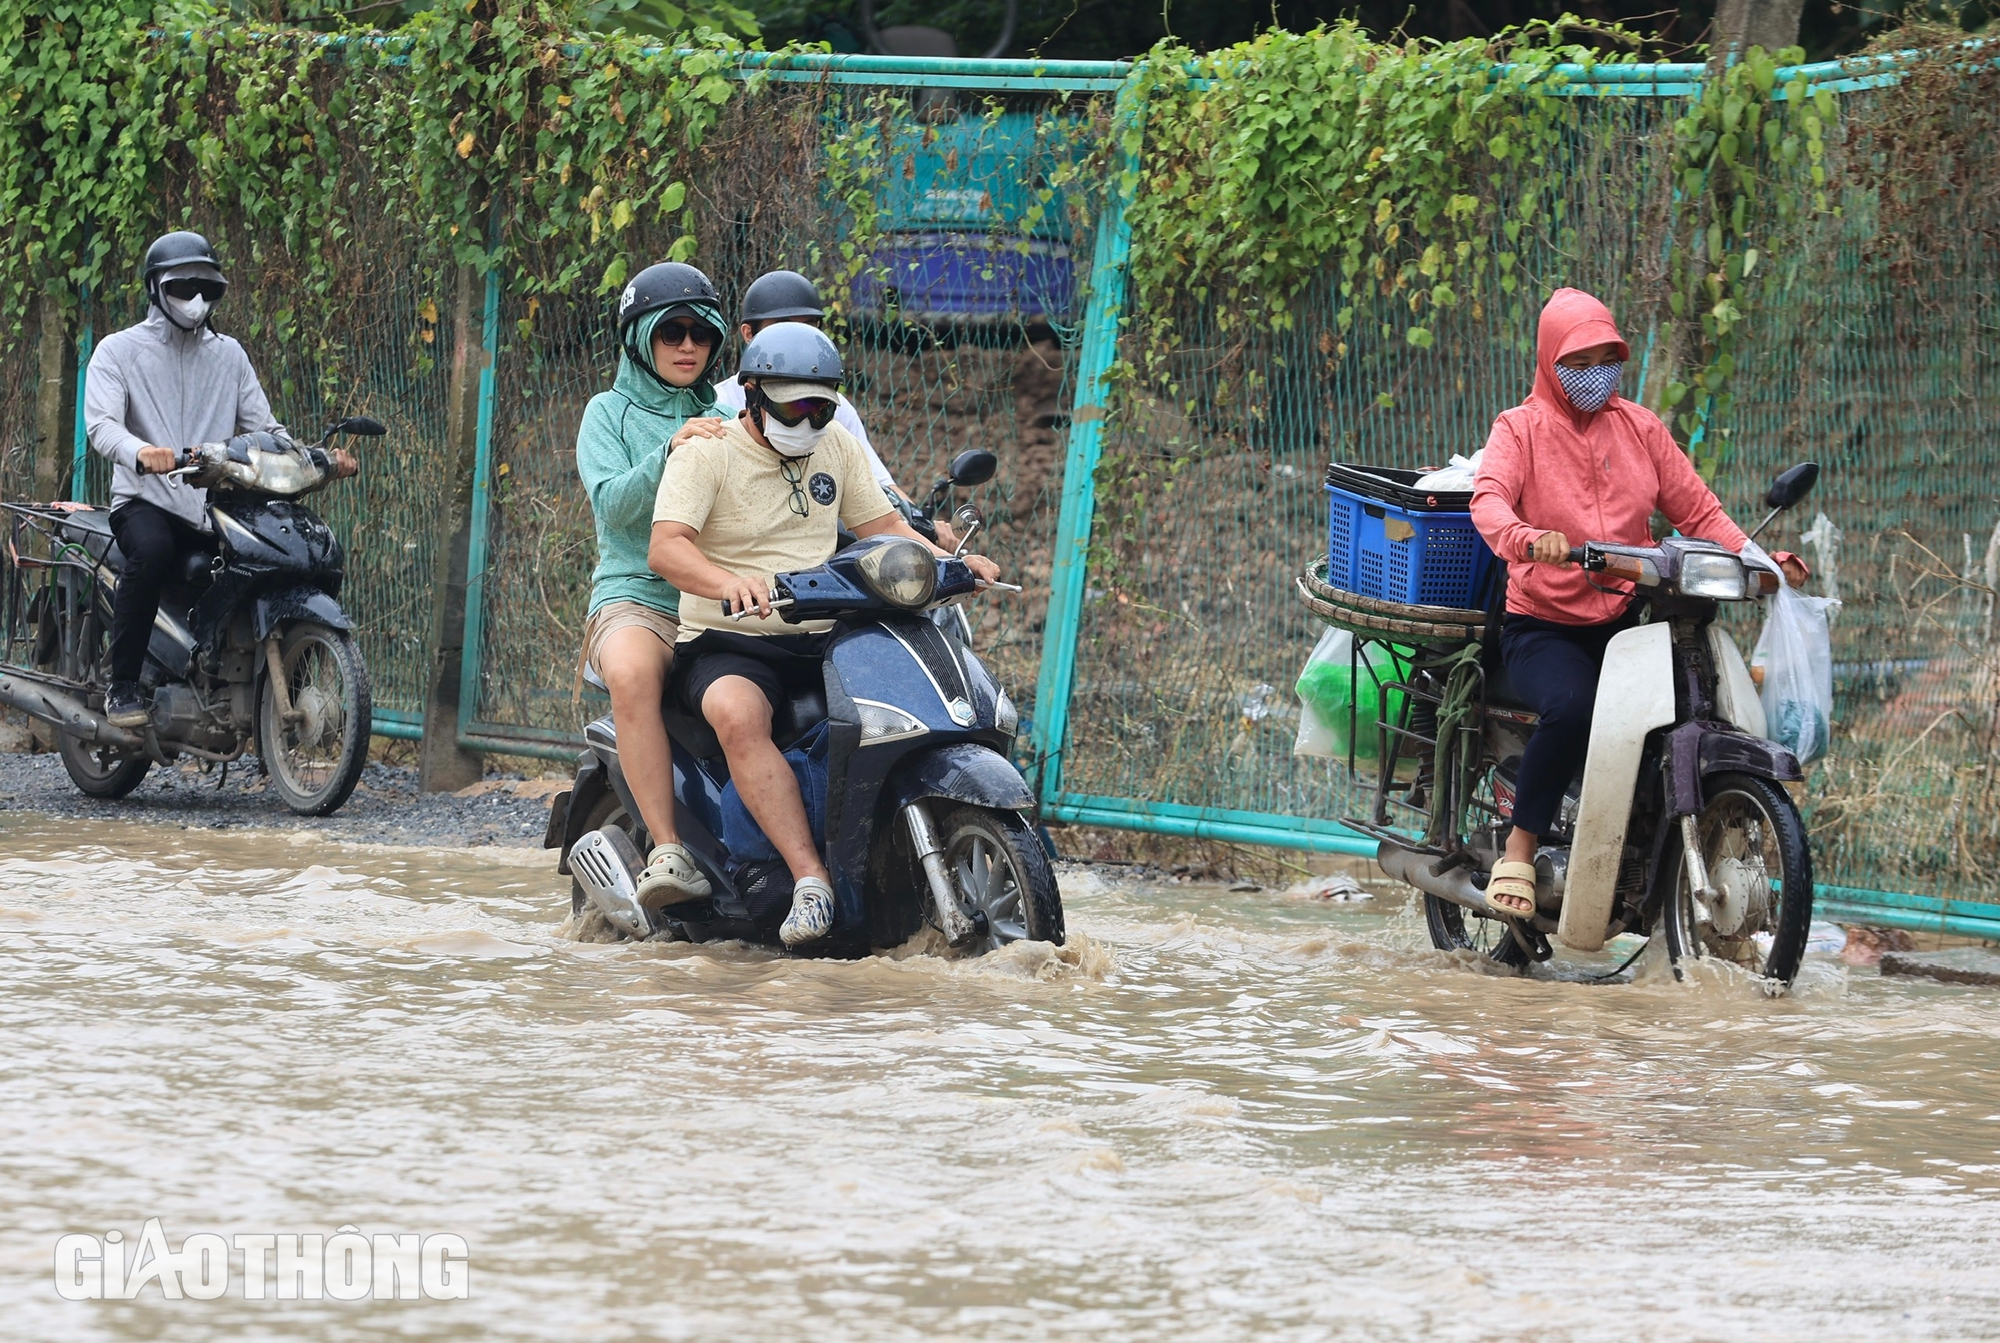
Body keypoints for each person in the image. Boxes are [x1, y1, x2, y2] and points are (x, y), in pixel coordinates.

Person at [649, 322, 1001, 947]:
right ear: (752, 393)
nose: (809, 419)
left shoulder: (835, 446)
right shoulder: (707, 452)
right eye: (794, 404)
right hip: (731, 637)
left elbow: (881, 523)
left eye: (821, 405)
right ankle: (811, 881)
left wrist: (950, 565)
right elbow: (667, 549)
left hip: (824, 630)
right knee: (736, 714)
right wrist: (729, 582)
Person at [1469, 287, 1808, 918]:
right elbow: (1488, 500)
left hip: (1627, 622)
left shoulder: (1641, 428)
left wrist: (1764, 563)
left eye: (1608, 357)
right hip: (1542, 627)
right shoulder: (1519, 430)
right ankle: (1520, 846)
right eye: (1581, 360)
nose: (1598, 373)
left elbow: (1700, 510)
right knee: (1572, 709)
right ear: (1550, 362)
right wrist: (1526, 539)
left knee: (1686, 713)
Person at [84, 230, 354, 729]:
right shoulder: (117, 352)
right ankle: (122, 686)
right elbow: (101, 425)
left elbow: (265, 428)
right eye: (184, 287)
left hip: (214, 504)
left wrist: (316, 459)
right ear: (155, 288)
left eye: (209, 289)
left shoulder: (229, 355)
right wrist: (141, 452)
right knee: (153, 552)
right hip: (146, 500)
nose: (197, 300)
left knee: (279, 555)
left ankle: (243, 686)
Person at [576, 261, 731, 910]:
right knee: (634, 675)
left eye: (701, 333)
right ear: (640, 339)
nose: (689, 346)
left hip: (720, 598)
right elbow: (613, 506)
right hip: (635, 597)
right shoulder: (605, 414)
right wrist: (671, 446)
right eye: (672, 332)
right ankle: (667, 847)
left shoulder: (729, 412)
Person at [711, 269, 957, 548]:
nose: (797, 337)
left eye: (809, 326)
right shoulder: (717, 405)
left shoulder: (834, 407)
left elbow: (878, 487)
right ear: (748, 333)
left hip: (821, 546)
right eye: (783, 326)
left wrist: (922, 528)